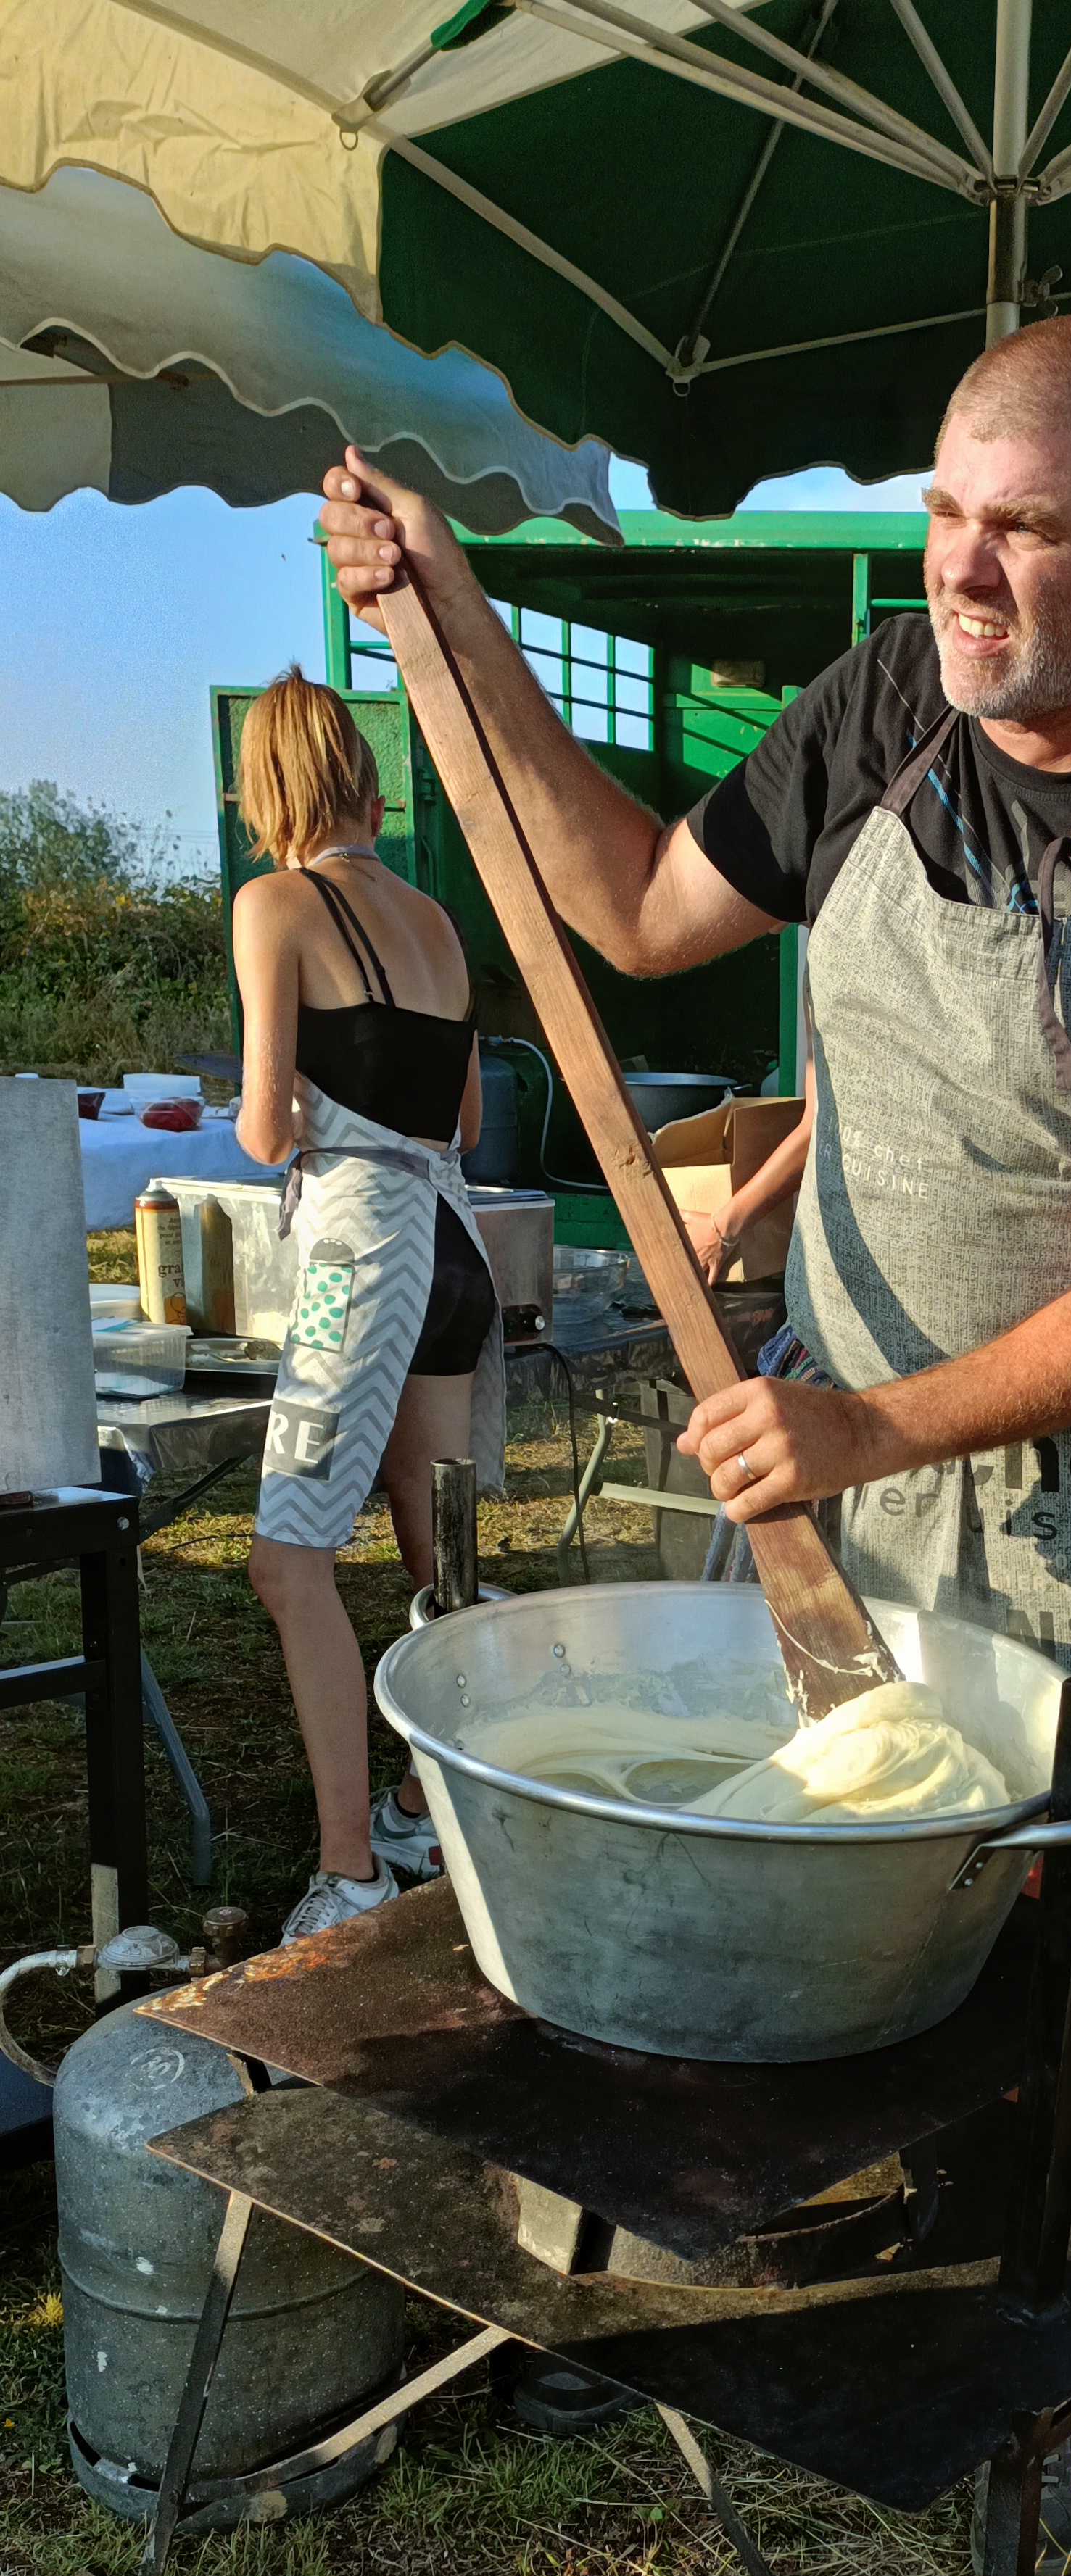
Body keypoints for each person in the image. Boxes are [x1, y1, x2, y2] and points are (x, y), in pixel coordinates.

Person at [318, 314, 1071, 1829]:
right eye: (946, 511)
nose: (962, 570)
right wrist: (457, 619)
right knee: (802, 1873)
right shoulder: (885, 707)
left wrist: (869, 1430)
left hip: (1070, 1531)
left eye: (1026, 529)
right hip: (829, 1490)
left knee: (995, 1919)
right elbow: (641, 909)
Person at [232, 670, 501, 1944]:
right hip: (454, 1240)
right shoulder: (437, 920)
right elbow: (469, 1120)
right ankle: (425, 1804)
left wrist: (297, 1115)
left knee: (287, 1564)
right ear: (364, 777)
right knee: (439, 1541)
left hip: (361, 1256)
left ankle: (349, 1874)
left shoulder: (274, 904)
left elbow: (263, 1126)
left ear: (264, 789)